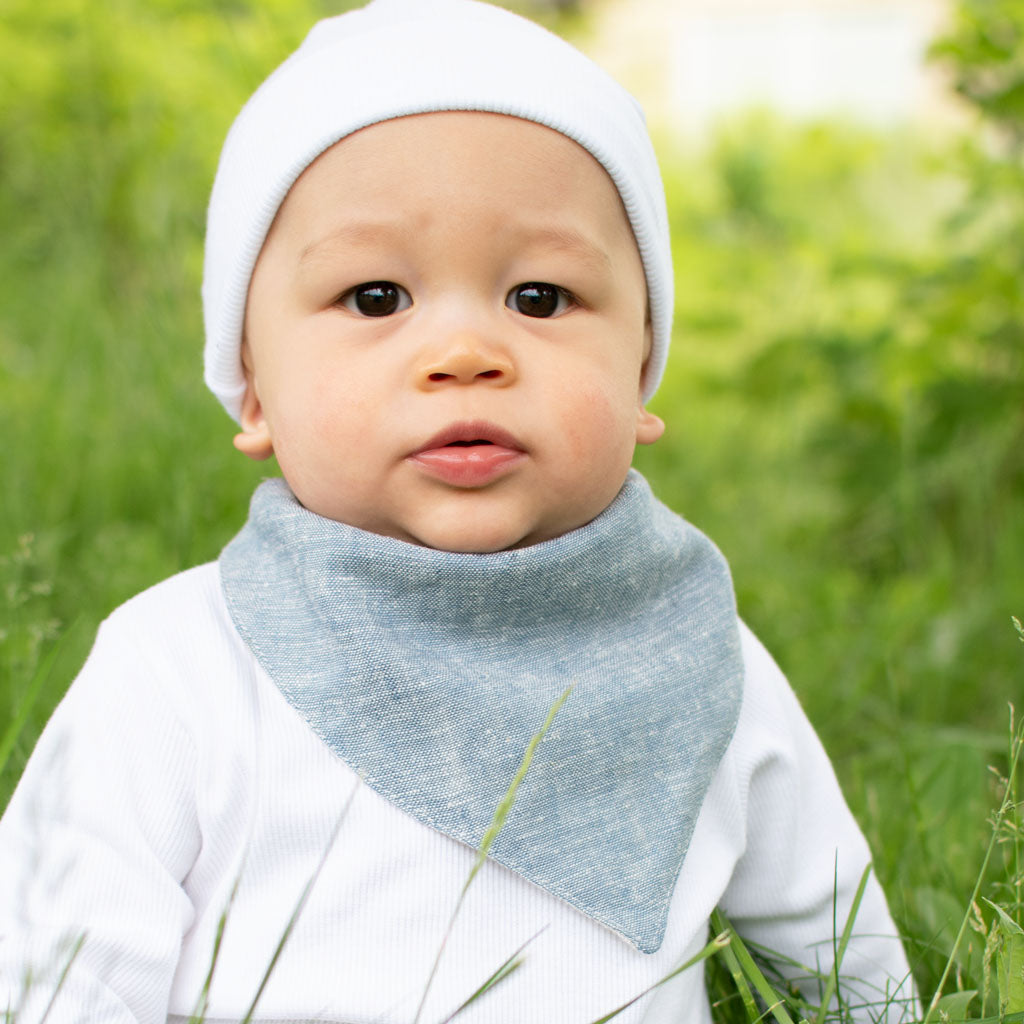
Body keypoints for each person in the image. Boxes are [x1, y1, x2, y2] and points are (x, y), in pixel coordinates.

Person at [0, 1, 916, 1021]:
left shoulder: (696, 654)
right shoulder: (181, 667)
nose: (466, 353)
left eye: (538, 298)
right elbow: (62, 973)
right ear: (253, 384)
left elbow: (837, 946)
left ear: (641, 368)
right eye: (377, 298)